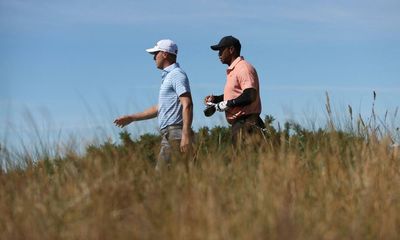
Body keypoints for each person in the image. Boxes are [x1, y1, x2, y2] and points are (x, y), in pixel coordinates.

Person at [114, 39, 193, 170]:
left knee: (162, 177)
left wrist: (185, 134)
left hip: (175, 133)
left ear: (165, 54)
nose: (154, 58)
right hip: (169, 134)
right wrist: (132, 118)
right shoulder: (169, 77)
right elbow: (159, 108)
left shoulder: (176, 75)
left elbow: (187, 104)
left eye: (156, 54)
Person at [204, 35, 265, 145]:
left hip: (247, 124)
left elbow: (250, 94)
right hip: (241, 124)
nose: (219, 54)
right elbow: (236, 94)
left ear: (231, 50)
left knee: (245, 161)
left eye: (221, 50)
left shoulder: (243, 68)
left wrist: (228, 103)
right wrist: (216, 99)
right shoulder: (234, 69)